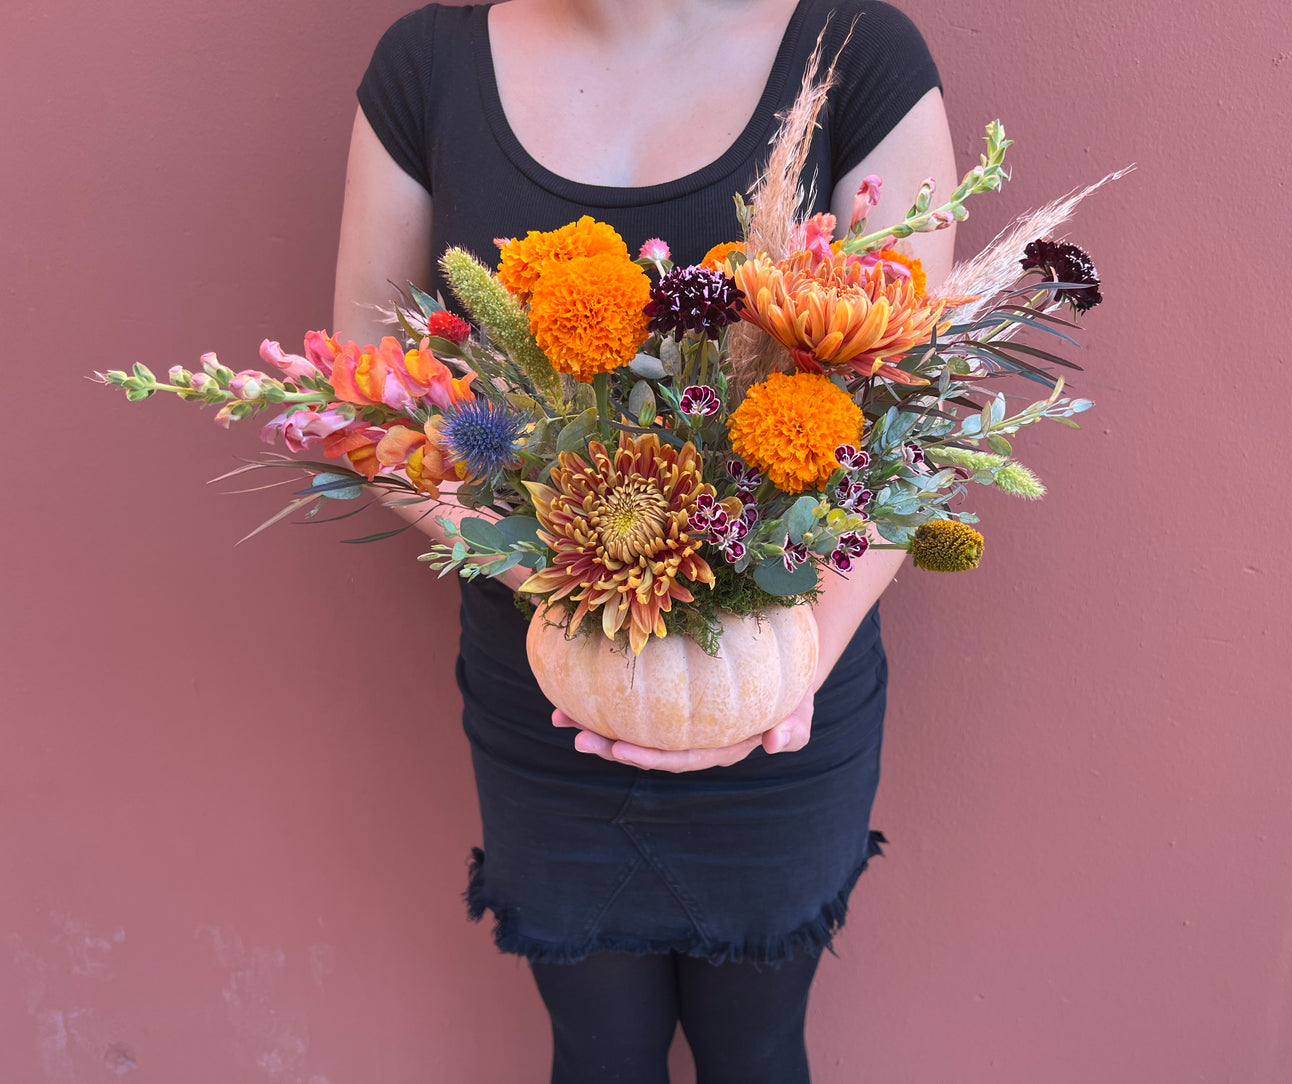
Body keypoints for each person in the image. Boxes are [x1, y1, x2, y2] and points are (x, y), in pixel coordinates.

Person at [333, 2, 956, 1080]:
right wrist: (568, 572)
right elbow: (369, 397)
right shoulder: (425, 66)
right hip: (548, 692)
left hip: (783, 705)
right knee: (596, 1048)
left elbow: (912, 431)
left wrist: (781, 671)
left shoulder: (860, 56)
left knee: (755, 1046)